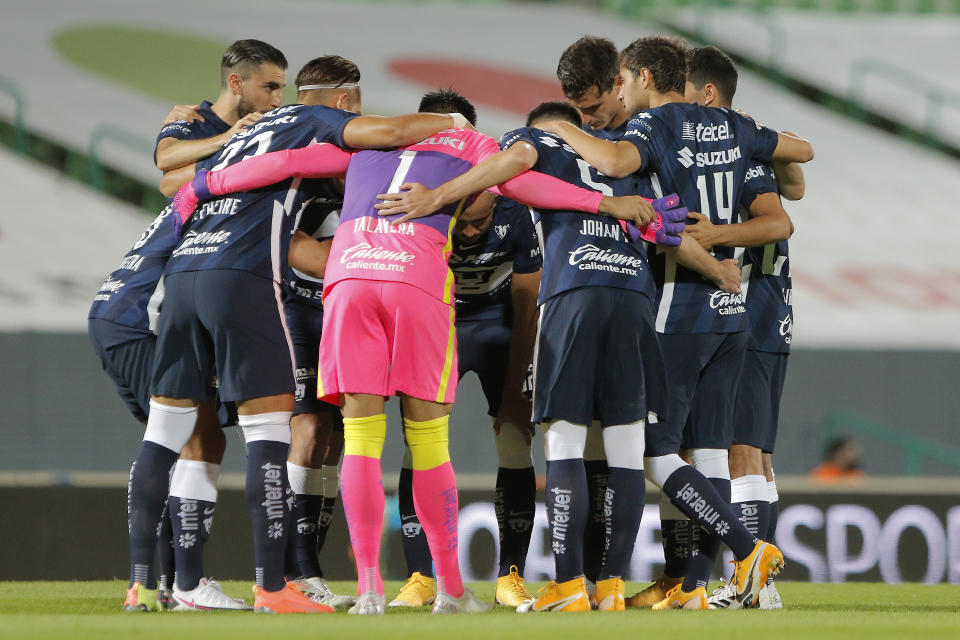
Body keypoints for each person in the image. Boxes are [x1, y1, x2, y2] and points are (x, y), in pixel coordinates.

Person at [152, 61, 472, 613]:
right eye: (270, 88)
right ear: (343, 103)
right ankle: (289, 576)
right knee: (305, 432)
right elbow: (174, 175)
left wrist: (206, 172)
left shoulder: (339, 151)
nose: (276, 100)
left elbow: (185, 175)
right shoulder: (344, 136)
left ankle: (327, 576)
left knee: (338, 439)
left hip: (339, 296)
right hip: (300, 301)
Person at [389, 90, 543, 609]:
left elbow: (527, 307)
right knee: (420, 445)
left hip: (501, 326)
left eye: (480, 221)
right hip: (439, 324)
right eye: (467, 224)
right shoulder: (409, 196)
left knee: (514, 443)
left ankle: (510, 576)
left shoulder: (515, 203)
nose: (473, 230)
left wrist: (519, 387)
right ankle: (420, 578)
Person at [683, 44, 802, 610]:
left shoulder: (734, 142)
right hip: (767, 303)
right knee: (753, 451)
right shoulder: (747, 141)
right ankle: (761, 582)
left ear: (706, 94)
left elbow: (783, 215)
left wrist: (714, 235)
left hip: (752, 301)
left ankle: (752, 578)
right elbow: (796, 178)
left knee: (741, 448)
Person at [154, 39, 287, 174]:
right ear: (236, 83)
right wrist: (227, 138)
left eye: (281, 89)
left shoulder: (265, 132)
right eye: (270, 87)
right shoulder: (190, 119)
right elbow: (164, 157)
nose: (278, 102)